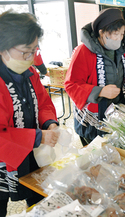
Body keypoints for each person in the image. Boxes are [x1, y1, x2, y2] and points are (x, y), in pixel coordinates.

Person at [64, 8, 125, 146]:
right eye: (115, 34)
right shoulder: (83, 51)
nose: (119, 39)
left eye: (122, 34)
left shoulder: (121, 48)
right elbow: (72, 84)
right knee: (96, 157)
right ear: (102, 32)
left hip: (117, 111)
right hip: (92, 118)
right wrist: (100, 91)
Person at [0, 11, 60, 216]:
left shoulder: (30, 73)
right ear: (3, 47)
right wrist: (38, 136)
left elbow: (43, 102)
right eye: (25, 51)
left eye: (34, 51)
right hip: (4, 161)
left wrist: (49, 123)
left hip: (29, 154)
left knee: (39, 197)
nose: (30, 58)